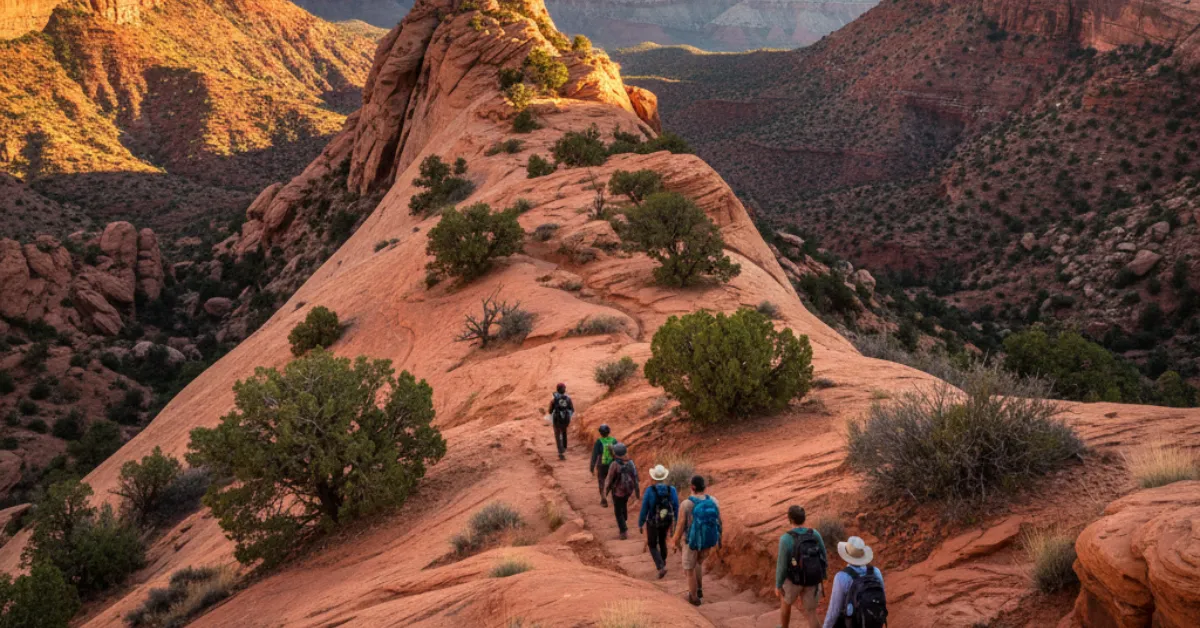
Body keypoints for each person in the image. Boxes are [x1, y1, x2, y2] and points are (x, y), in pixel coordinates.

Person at [672, 475, 721, 606]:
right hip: (707, 541)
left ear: (692, 487)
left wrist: (675, 541)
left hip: (691, 542)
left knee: (689, 569)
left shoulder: (686, 504)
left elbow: (681, 524)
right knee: (698, 563)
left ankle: (693, 597)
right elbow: (718, 521)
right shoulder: (714, 501)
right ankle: (699, 589)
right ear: (704, 487)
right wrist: (718, 539)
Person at [776, 506, 827, 628]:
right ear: (804, 518)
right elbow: (823, 556)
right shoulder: (814, 534)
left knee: (785, 604)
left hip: (794, 580)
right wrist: (822, 576)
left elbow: (782, 565)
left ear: (790, 519)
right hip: (812, 579)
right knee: (811, 613)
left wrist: (778, 585)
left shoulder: (786, 539)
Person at [822, 537, 887, 628]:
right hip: (874, 622)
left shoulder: (842, 577)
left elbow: (834, 611)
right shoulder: (876, 572)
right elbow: (883, 598)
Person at [638, 464, 679, 579]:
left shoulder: (650, 491)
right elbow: (676, 506)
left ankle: (661, 566)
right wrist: (676, 522)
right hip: (666, 521)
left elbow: (644, 507)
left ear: (654, 478)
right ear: (664, 477)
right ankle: (663, 562)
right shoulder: (672, 490)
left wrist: (641, 522)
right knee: (662, 541)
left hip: (653, 521)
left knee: (652, 544)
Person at [603, 442, 639, 539]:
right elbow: (635, 477)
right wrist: (637, 492)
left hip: (617, 492)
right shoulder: (631, 463)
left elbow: (609, 479)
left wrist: (604, 494)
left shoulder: (614, 464)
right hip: (628, 491)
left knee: (618, 511)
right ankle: (624, 520)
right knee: (623, 505)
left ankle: (623, 531)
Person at [589, 424, 617, 507]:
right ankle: (614, 499)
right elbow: (617, 453)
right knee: (612, 481)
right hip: (612, 463)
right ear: (609, 432)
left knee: (601, 480)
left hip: (601, 464)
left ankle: (603, 500)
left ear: (600, 433)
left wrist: (592, 466)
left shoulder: (599, 441)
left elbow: (594, 455)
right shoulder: (614, 440)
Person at [548, 383, 574, 460]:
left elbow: (550, 411)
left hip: (556, 420)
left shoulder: (554, 399)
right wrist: (567, 416)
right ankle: (564, 447)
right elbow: (572, 409)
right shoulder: (568, 398)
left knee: (557, 435)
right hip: (565, 420)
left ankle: (560, 451)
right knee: (564, 432)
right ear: (564, 390)